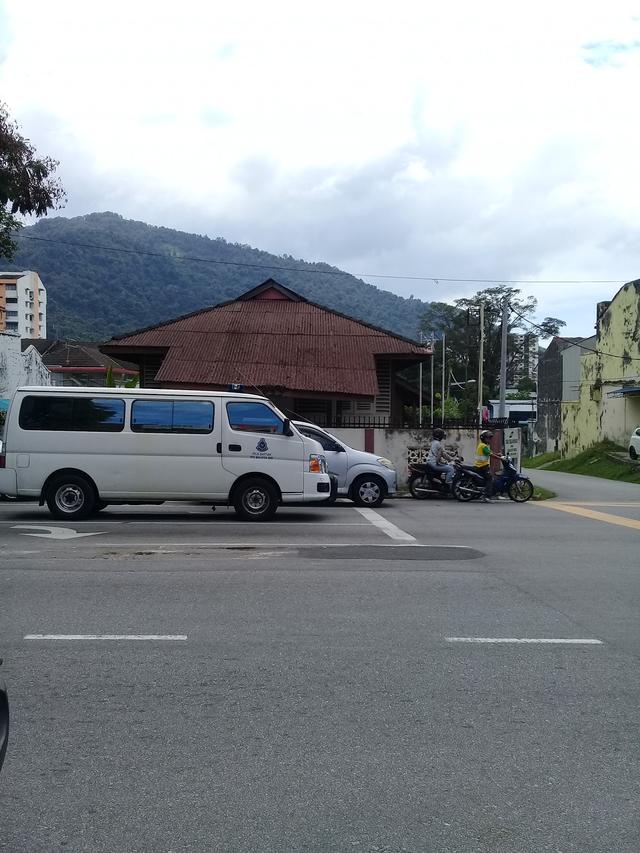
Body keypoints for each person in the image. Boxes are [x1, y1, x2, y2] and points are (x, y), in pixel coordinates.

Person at [474, 429, 501, 502]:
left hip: (480, 466)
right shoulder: (483, 446)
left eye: (489, 438)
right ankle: (486, 496)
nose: (489, 440)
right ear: (483, 438)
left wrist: (497, 454)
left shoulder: (482, 445)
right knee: (490, 479)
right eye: (488, 438)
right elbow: (490, 454)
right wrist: (500, 458)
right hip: (482, 466)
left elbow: (489, 452)